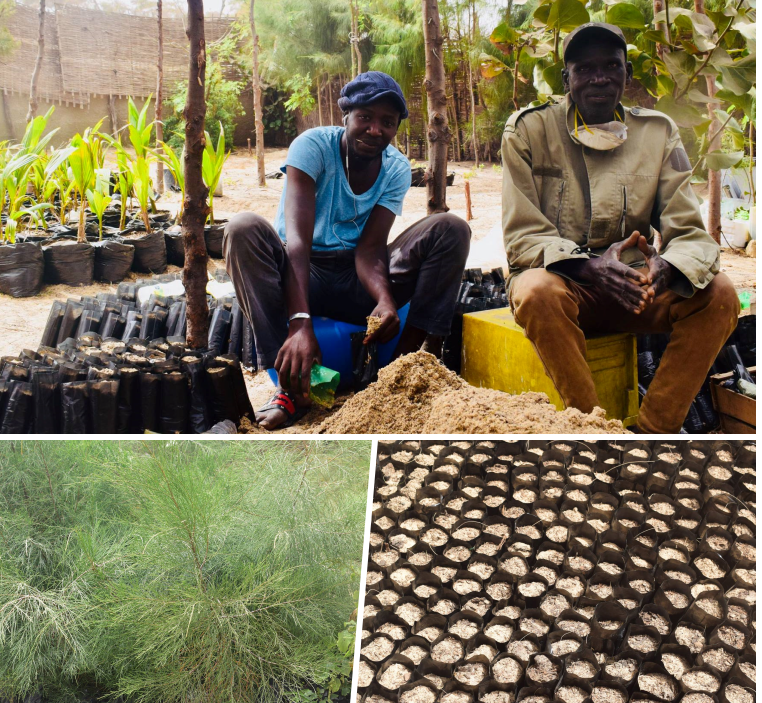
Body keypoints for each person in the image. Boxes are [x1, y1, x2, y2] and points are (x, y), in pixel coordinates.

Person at [501, 22, 739, 434]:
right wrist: (589, 269)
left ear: (627, 75)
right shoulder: (529, 130)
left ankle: (653, 434)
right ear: (567, 79)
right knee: (535, 290)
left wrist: (665, 268)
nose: (599, 78)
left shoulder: (658, 132)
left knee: (720, 294)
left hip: (636, 292)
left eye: (611, 66)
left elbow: (690, 233)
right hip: (566, 288)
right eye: (585, 68)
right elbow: (522, 236)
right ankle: (596, 435)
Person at [224, 71, 471, 429]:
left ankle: (397, 376)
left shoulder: (397, 168)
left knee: (451, 229)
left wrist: (384, 300)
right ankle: (293, 389)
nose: (375, 130)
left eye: (387, 122)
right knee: (242, 228)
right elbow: (297, 244)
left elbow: (370, 250)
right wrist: (300, 323)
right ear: (346, 118)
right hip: (299, 274)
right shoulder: (313, 147)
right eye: (365, 118)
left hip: (355, 278)